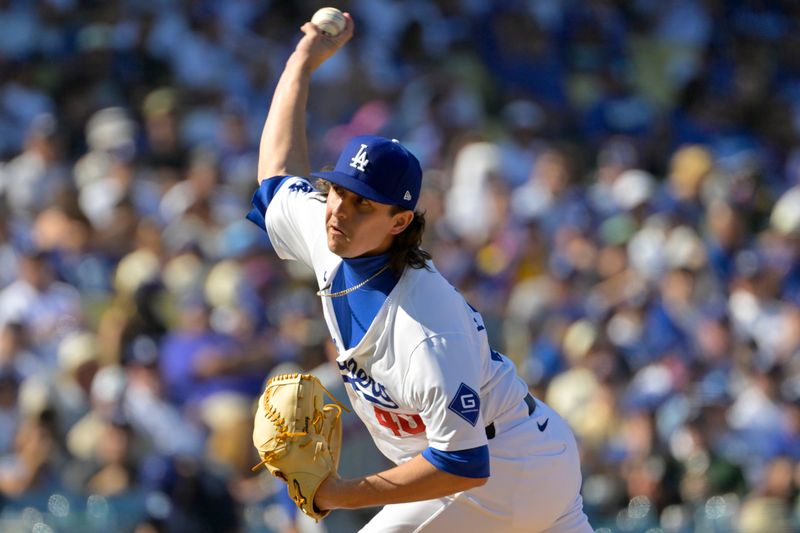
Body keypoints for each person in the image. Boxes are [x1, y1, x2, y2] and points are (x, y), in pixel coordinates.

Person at [246, 12, 591, 533]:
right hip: (516, 454)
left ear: (399, 221)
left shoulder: (423, 325)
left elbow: (462, 465)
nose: (339, 209)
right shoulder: (329, 231)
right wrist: (301, 63)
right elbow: (276, 177)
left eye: (362, 204)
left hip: (503, 469)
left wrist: (338, 494)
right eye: (337, 190)